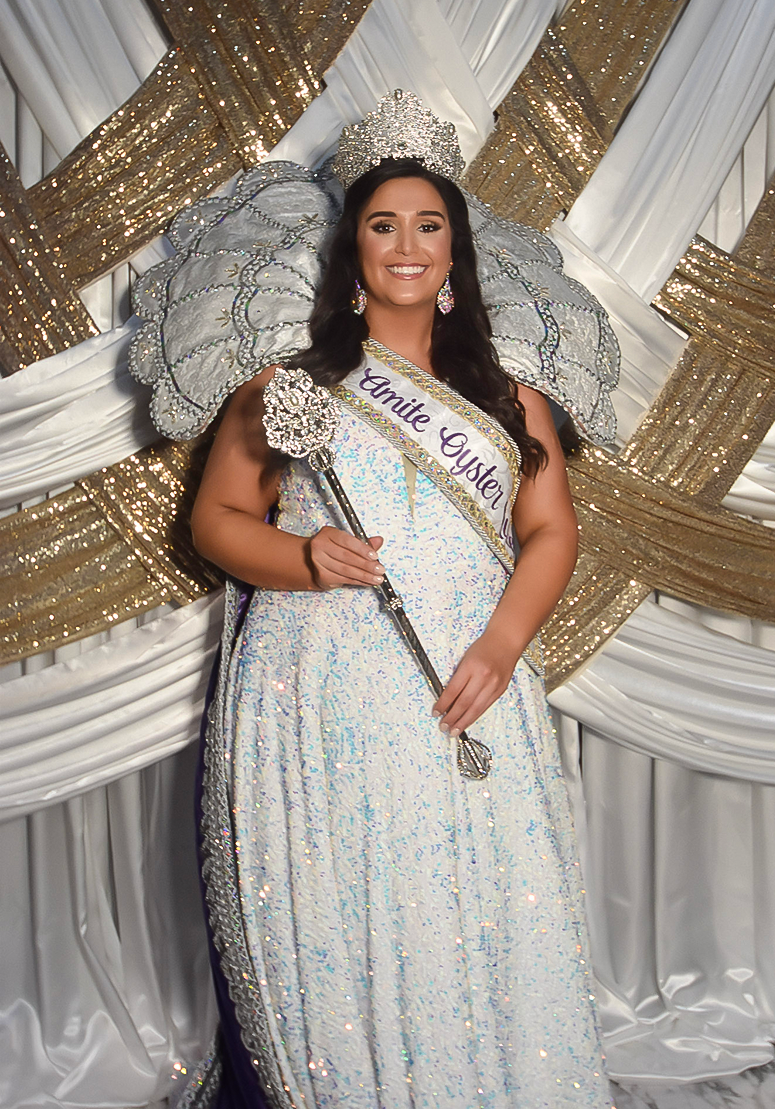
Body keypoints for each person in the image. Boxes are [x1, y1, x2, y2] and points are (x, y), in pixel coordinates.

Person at [138, 93, 615, 1108]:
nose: (407, 245)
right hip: (319, 695)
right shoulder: (287, 385)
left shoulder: (509, 398)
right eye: (383, 224)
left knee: (473, 900)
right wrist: (304, 555)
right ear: (353, 247)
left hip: (463, 689)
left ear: (454, 253)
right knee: (347, 901)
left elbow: (550, 532)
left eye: (428, 225)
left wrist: (502, 640)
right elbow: (216, 521)